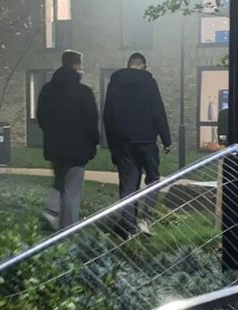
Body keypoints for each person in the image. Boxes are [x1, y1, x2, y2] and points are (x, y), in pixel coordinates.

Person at [104, 53, 171, 236]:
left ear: (128, 65)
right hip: (147, 140)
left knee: (128, 183)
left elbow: (108, 116)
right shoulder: (149, 83)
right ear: (143, 65)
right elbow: (158, 110)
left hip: (123, 143)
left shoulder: (114, 84)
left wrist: (113, 145)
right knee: (153, 179)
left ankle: (127, 225)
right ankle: (145, 219)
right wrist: (166, 139)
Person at [36, 50, 99, 228]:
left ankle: (52, 210)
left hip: (55, 146)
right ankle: (68, 228)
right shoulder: (84, 92)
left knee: (59, 180)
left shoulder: (47, 90)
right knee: (72, 190)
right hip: (79, 149)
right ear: (77, 65)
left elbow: (41, 117)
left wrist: (51, 134)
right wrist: (93, 143)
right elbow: (91, 120)